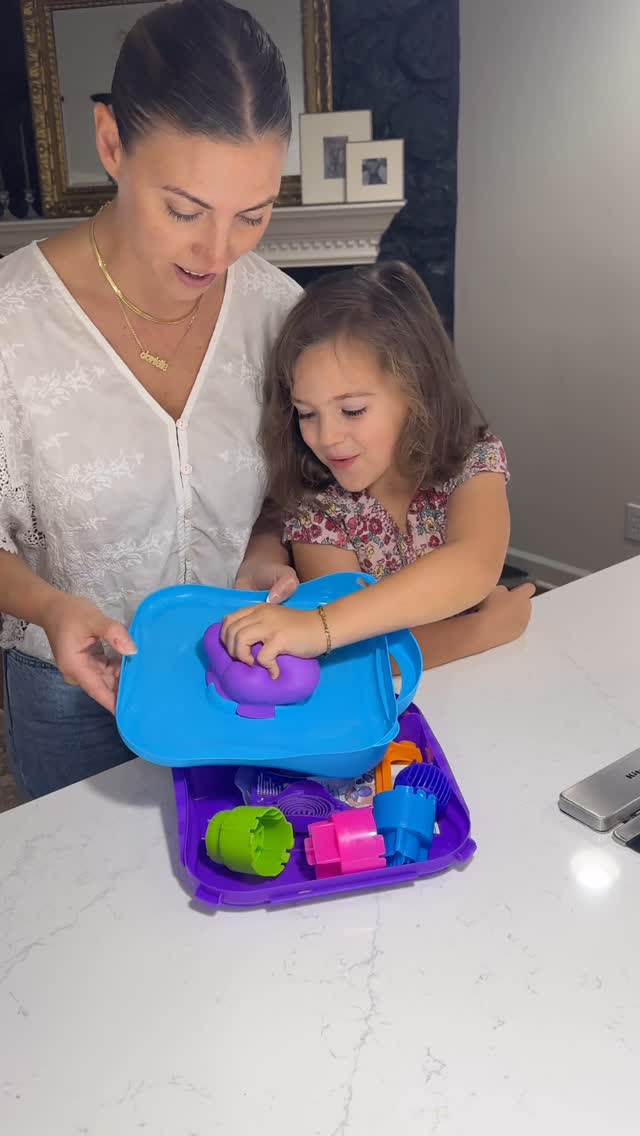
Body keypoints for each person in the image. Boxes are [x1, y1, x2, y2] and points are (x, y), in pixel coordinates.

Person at [0, 0, 303, 798]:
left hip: (239, 673)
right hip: (74, 697)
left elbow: (285, 487)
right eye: (184, 210)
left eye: (254, 215)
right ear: (111, 144)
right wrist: (48, 606)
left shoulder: (278, 313)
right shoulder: (10, 324)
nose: (217, 251)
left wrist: (265, 551)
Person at [220, 261, 534, 675]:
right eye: (307, 414)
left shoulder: (472, 461)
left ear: (417, 390)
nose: (326, 437)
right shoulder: (317, 506)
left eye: (352, 410)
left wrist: (321, 630)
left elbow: (474, 564)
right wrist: (483, 630)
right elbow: (360, 659)